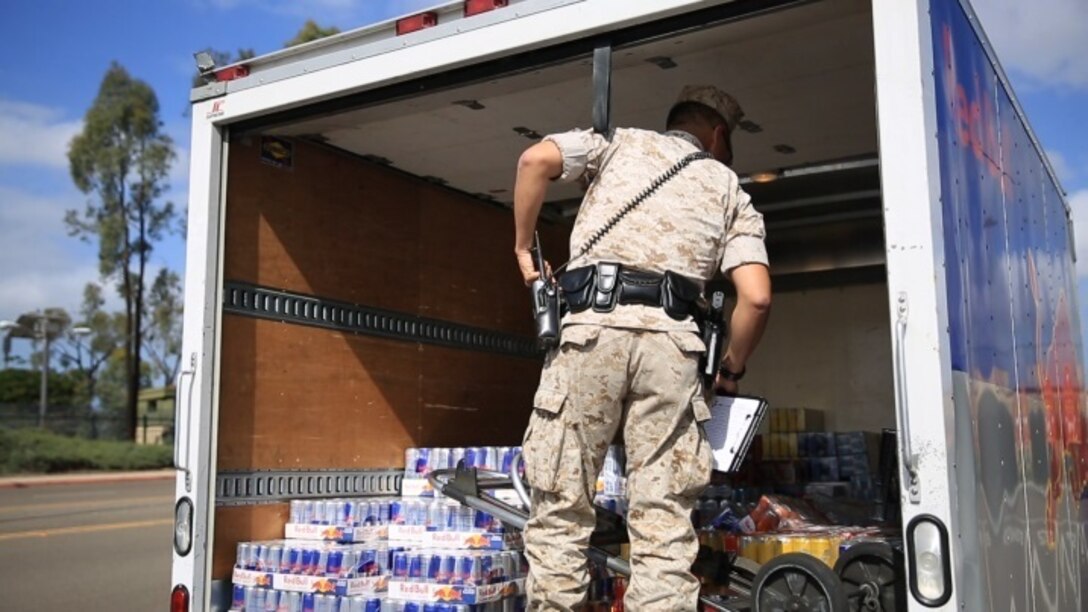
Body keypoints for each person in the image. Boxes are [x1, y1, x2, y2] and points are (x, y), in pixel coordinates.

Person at [511, 84, 772, 611]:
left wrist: (522, 247)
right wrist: (732, 370)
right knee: (662, 524)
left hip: (589, 335)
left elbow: (535, 159)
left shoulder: (617, 144)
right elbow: (757, 298)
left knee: (561, 511)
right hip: (674, 351)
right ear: (718, 136)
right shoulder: (726, 187)